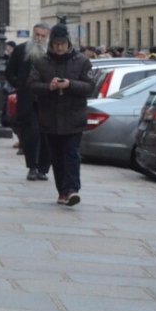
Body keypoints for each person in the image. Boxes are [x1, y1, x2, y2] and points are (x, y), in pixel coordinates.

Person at [28, 24, 94, 206]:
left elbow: (89, 86)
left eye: (62, 43)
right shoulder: (42, 62)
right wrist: (48, 87)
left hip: (74, 117)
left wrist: (69, 84)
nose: (59, 47)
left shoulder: (81, 61)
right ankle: (62, 192)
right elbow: (32, 85)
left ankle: (72, 189)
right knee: (56, 156)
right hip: (49, 117)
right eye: (56, 44)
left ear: (68, 43)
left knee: (71, 154)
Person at [7, 24, 51, 181]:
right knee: (31, 133)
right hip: (27, 99)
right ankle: (32, 166)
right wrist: (19, 84)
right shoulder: (21, 50)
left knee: (46, 135)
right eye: (37, 35)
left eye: (43, 36)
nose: (39, 38)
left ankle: (43, 169)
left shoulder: (51, 53)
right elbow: (10, 72)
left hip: (47, 100)